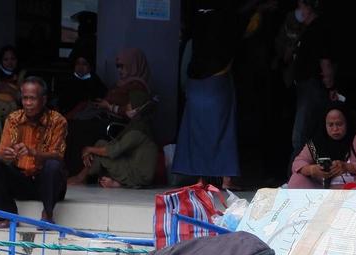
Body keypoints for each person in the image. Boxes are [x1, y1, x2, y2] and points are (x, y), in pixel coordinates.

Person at [173, 0, 241, 188]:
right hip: (217, 81)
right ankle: (226, 178)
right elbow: (234, 44)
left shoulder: (196, 17)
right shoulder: (226, 15)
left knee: (196, 133)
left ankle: (200, 178)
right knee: (223, 131)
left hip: (196, 82)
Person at [0, 77, 67, 222]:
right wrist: (4, 155)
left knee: (53, 166)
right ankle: (6, 216)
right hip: (21, 181)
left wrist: (33, 153)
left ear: (44, 99)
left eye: (32, 99)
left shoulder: (57, 120)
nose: (28, 103)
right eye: (25, 98)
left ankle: (47, 214)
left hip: (47, 183)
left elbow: (58, 156)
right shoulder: (13, 119)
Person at [65, 47, 153, 174]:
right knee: (73, 125)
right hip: (104, 118)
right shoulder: (121, 83)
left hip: (116, 125)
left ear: (133, 66)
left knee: (81, 129)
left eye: (123, 66)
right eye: (118, 66)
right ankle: (71, 170)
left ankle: (78, 172)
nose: (119, 70)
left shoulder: (138, 87)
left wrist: (109, 107)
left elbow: (133, 113)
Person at [274, 0, 332, 155]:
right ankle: (304, 170)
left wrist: (329, 84)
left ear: (309, 8)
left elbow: (324, 59)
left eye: (300, 7)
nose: (298, 11)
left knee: (300, 135)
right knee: (306, 132)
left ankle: (297, 174)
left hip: (312, 86)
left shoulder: (318, 29)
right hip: (302, 86)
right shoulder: (304, 30)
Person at [70, 100, 160, 189]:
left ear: (136, 111)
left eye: (128, 107)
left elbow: (112, 151)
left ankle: (82, 178)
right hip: (135, 169)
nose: (126, 109)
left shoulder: (138, 130)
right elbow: (112, 145)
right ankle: (86, 177)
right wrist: (91, 149)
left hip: (137, 176)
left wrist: (88, 149)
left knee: (100, 151)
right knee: (101, 144)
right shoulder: (139, 126)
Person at [286, 105, 356, 189]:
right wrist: (312, 170)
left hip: (352, 188)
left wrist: (348, 167)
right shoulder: (317, 142)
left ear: (347, 123)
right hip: (322, 191)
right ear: (325, 125)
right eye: (330, 125)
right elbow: (297, 163)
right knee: (296, 179)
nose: (335, 129)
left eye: (339, 124)